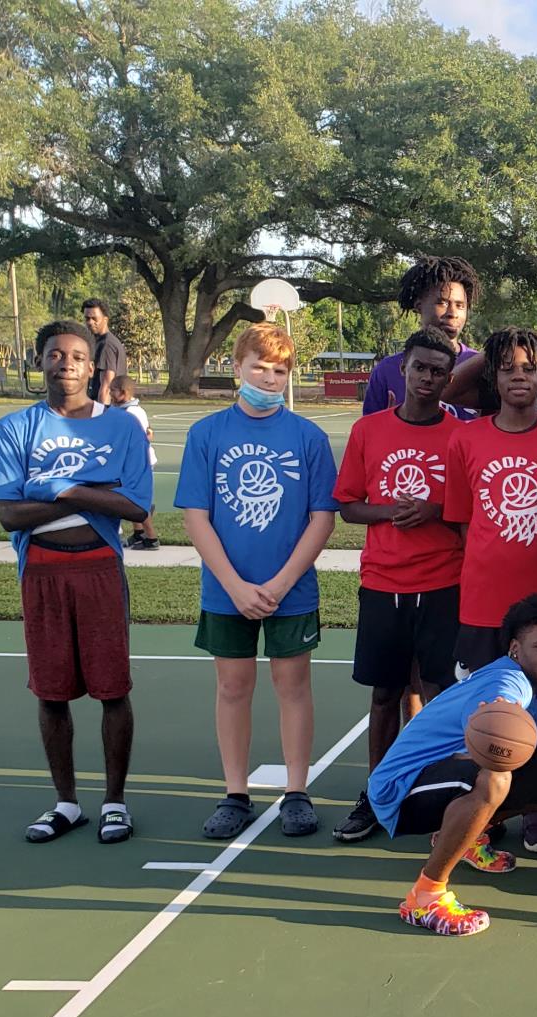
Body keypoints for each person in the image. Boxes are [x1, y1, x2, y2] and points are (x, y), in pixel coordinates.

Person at [368, 597, 537, 937]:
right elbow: (488, 731)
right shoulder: (507, 682)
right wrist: (500, 723)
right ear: (515, 648)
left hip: (446, 778)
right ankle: (425, 896)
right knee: (496, 776)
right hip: (400, 788)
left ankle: (465, 836)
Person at [0, 319, 152, 845]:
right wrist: (90, 490)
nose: (66, 363)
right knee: (51, 691)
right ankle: (65, 802)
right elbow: (9, 516)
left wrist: (64, 489)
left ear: (92, 365)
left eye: (77, 356)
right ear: (40, 362)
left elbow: (135, 506)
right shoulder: (15, 428)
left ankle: (114, 802)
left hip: (99, 567)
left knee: (112, 689)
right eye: (56, 354)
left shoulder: (122, 426)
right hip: (41, 570)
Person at [176, 322, 339, 841]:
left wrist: (281, 581)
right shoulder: (207, 434)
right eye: (259, 368)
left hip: (291, 588)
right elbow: (196, 517)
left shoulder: (308, 438)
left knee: (292, 686)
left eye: (280, 371)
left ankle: (296, 791)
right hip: (227, 590)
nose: (269, 379)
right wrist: (236, 585)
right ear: (237, 367)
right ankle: (235, 793)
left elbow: (322, 518)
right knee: (232, 686)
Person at [445, 326, 537, 855]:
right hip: (482, 600)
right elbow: (462, 522)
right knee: (486, 713)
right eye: (508, 367)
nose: (519, 376)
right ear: (494, 376)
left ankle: (535, 809)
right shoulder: (467, 438)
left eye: (529, 367)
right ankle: (484, 812)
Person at [330, 327, 467, 844]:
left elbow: (468, 512)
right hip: (383, 581)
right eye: (420, 367)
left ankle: (440, 795)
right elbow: (348, 505)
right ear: (402, 368)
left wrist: (436, 511)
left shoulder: (460, 435)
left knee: (440, 695)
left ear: (450, 378)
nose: (428, 378)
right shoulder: (369, 431)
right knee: (386, 694)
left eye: (438, 371)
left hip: (444, 581)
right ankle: (377, 793)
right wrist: (390, 512)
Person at [363, 256, 480, 415]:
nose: (452, 313)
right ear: (419, 306)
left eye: (460, 305)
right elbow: (370, 432)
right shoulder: (386, 370)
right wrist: (389, 428)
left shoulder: (481, 367)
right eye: (442, 303)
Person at [109, 374, 161, 550]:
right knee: (128, 498)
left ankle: (151, 538)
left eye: (112, 391)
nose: (110, 395)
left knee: (137, 501)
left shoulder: (132, 413)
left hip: (138, 463)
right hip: (129, 462)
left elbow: (140, 437)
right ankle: (138, 533)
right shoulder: (123, 411)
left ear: (123, 393)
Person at [81, 299, 128, 407]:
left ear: (105, 319)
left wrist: (102, 417)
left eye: (94, 318)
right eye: (87, 318)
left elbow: (106, 387)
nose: (90, 322)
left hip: (105, 408)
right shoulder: (97, 342)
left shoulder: (107, 344)